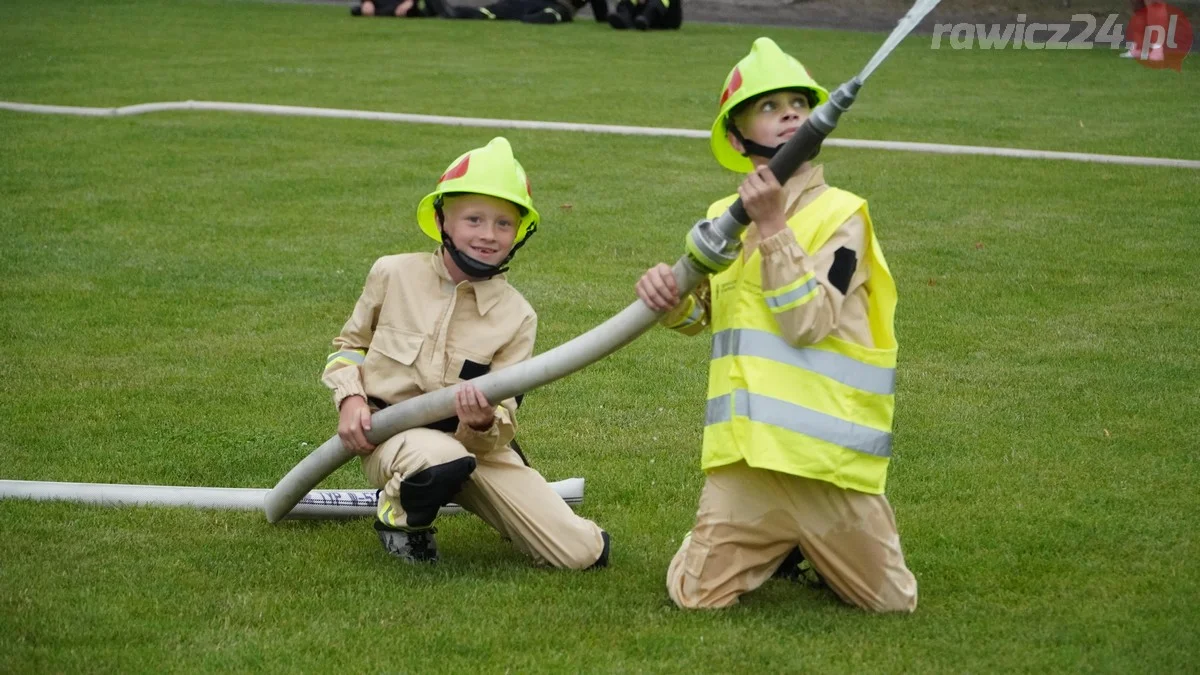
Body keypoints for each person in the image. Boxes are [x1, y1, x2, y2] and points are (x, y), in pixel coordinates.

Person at [635, 38, 917, 611]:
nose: (790, 112)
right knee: (695, 598)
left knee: (892, 603)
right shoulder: (720, 219)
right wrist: (669, 303)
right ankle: (766, 541)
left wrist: (772, 227)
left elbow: (806, 322)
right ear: (737, 138)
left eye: (798, 102)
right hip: (748, 461)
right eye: (769, 105)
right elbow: (711, 316)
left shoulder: (843, 216)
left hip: (825, 466)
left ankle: (797, 543)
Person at [322, 137, 610, 569]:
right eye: (474, 219)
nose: (488, 236)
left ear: (520, 233)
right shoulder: (393, 273)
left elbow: (504, 417)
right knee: (438, 460)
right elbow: (350, 348)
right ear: (442, 220)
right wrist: (351, 399)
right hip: (393, 440)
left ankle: (569, 532)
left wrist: (480, 423)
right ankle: (401, 520)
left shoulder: (517, 317)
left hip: (474, 448)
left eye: (503, 223)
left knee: (582, 554)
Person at [443, 0, 607, 24]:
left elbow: (600, 8)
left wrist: (604, 19)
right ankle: (455, 12)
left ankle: (534, 18)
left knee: (553, 13)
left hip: (562, 6)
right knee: (498, 10)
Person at [607, 0, 681, 30]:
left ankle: (644, 20)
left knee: (654, 5)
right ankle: (623, 19)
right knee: (625, 3)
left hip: (666, 15)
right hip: (642, 10)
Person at [350, 0, 450, 18]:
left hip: (403, 5)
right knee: (356, 10)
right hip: (380, 5)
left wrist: (410, 1)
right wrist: (367, 1)